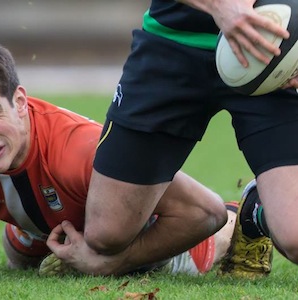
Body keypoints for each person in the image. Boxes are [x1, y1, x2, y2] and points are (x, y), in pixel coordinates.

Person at [0, 36, 232, 276]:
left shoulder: (78, 149)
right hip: (52, 218)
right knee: (18, 255)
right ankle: (38, 225)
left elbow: (204, 212)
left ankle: (247, 215)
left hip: (145, 221)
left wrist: (118, 261)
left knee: (181, 249)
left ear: (19, 102)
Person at [45, 1, 298, 279]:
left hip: (273, 45)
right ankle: (204, 218)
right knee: (106, 236)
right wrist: (219, 6)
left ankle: (257, 212)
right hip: (171, 45)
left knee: (295, 239)